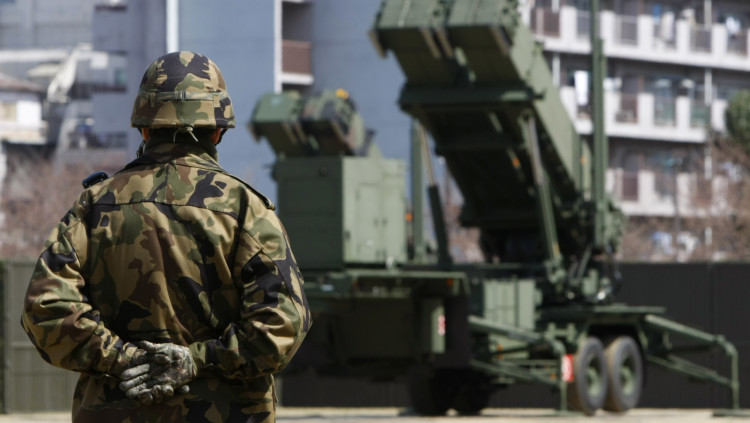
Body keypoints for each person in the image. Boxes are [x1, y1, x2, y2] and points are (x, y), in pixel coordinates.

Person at [20, 51, 311, 422]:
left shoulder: (94, 207)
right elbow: (283, 322)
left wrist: (124, 359)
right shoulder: (245, 210)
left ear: (144, 127)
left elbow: (45, 310)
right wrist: (197, 359)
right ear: (218, 131)